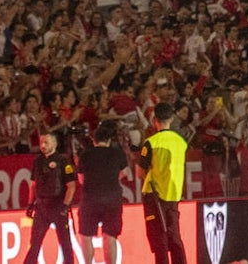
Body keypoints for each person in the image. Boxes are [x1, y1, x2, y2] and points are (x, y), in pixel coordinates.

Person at [137, 102, 189, 264]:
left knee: (159, 239)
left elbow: (140, 172)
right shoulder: (181, 142)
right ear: (172, 119)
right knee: (174, 236)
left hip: (155, 195)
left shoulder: (151, 142)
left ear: (155, 120)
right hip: (173, 194)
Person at [76, 119, 128, 264]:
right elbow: (124, 172)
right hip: (112, 199)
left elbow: (81, 179)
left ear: (94, 139)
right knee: (110, 237)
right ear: (109, 139)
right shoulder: (117, 153)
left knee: (86, 236)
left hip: (90, 199)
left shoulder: (85, 154)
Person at [21, 133, 77, 264]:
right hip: (41, 207)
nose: (43, 145)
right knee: (34, 242)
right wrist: (30, 203)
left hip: (58, 206)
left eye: (46, 142)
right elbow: (33, 184)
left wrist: (65, 205)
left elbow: (71, 186)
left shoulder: (63, 161)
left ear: (55, 144)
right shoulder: (38, 162)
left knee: (65, 242)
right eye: (41, 143)